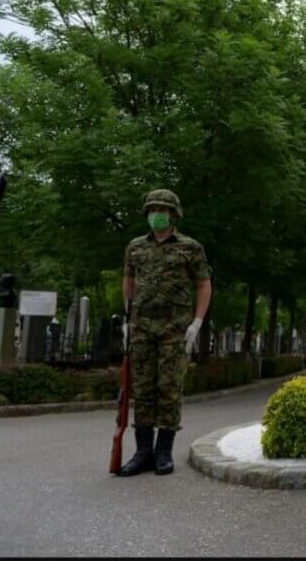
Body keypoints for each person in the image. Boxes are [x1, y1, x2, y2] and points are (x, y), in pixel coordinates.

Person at [117, 189, 212, 476]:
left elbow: (203, 284)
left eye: (162, 209)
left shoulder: (190, 247)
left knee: (169, 389)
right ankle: (143, 451)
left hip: (174, 329)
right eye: (152, 209)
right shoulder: (135, 246)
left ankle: (163, 452)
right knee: (142, 389)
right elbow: (128, 281)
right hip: (141, 328)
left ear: (173, 214)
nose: (156, 214)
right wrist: (127, 319)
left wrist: (197, 323)